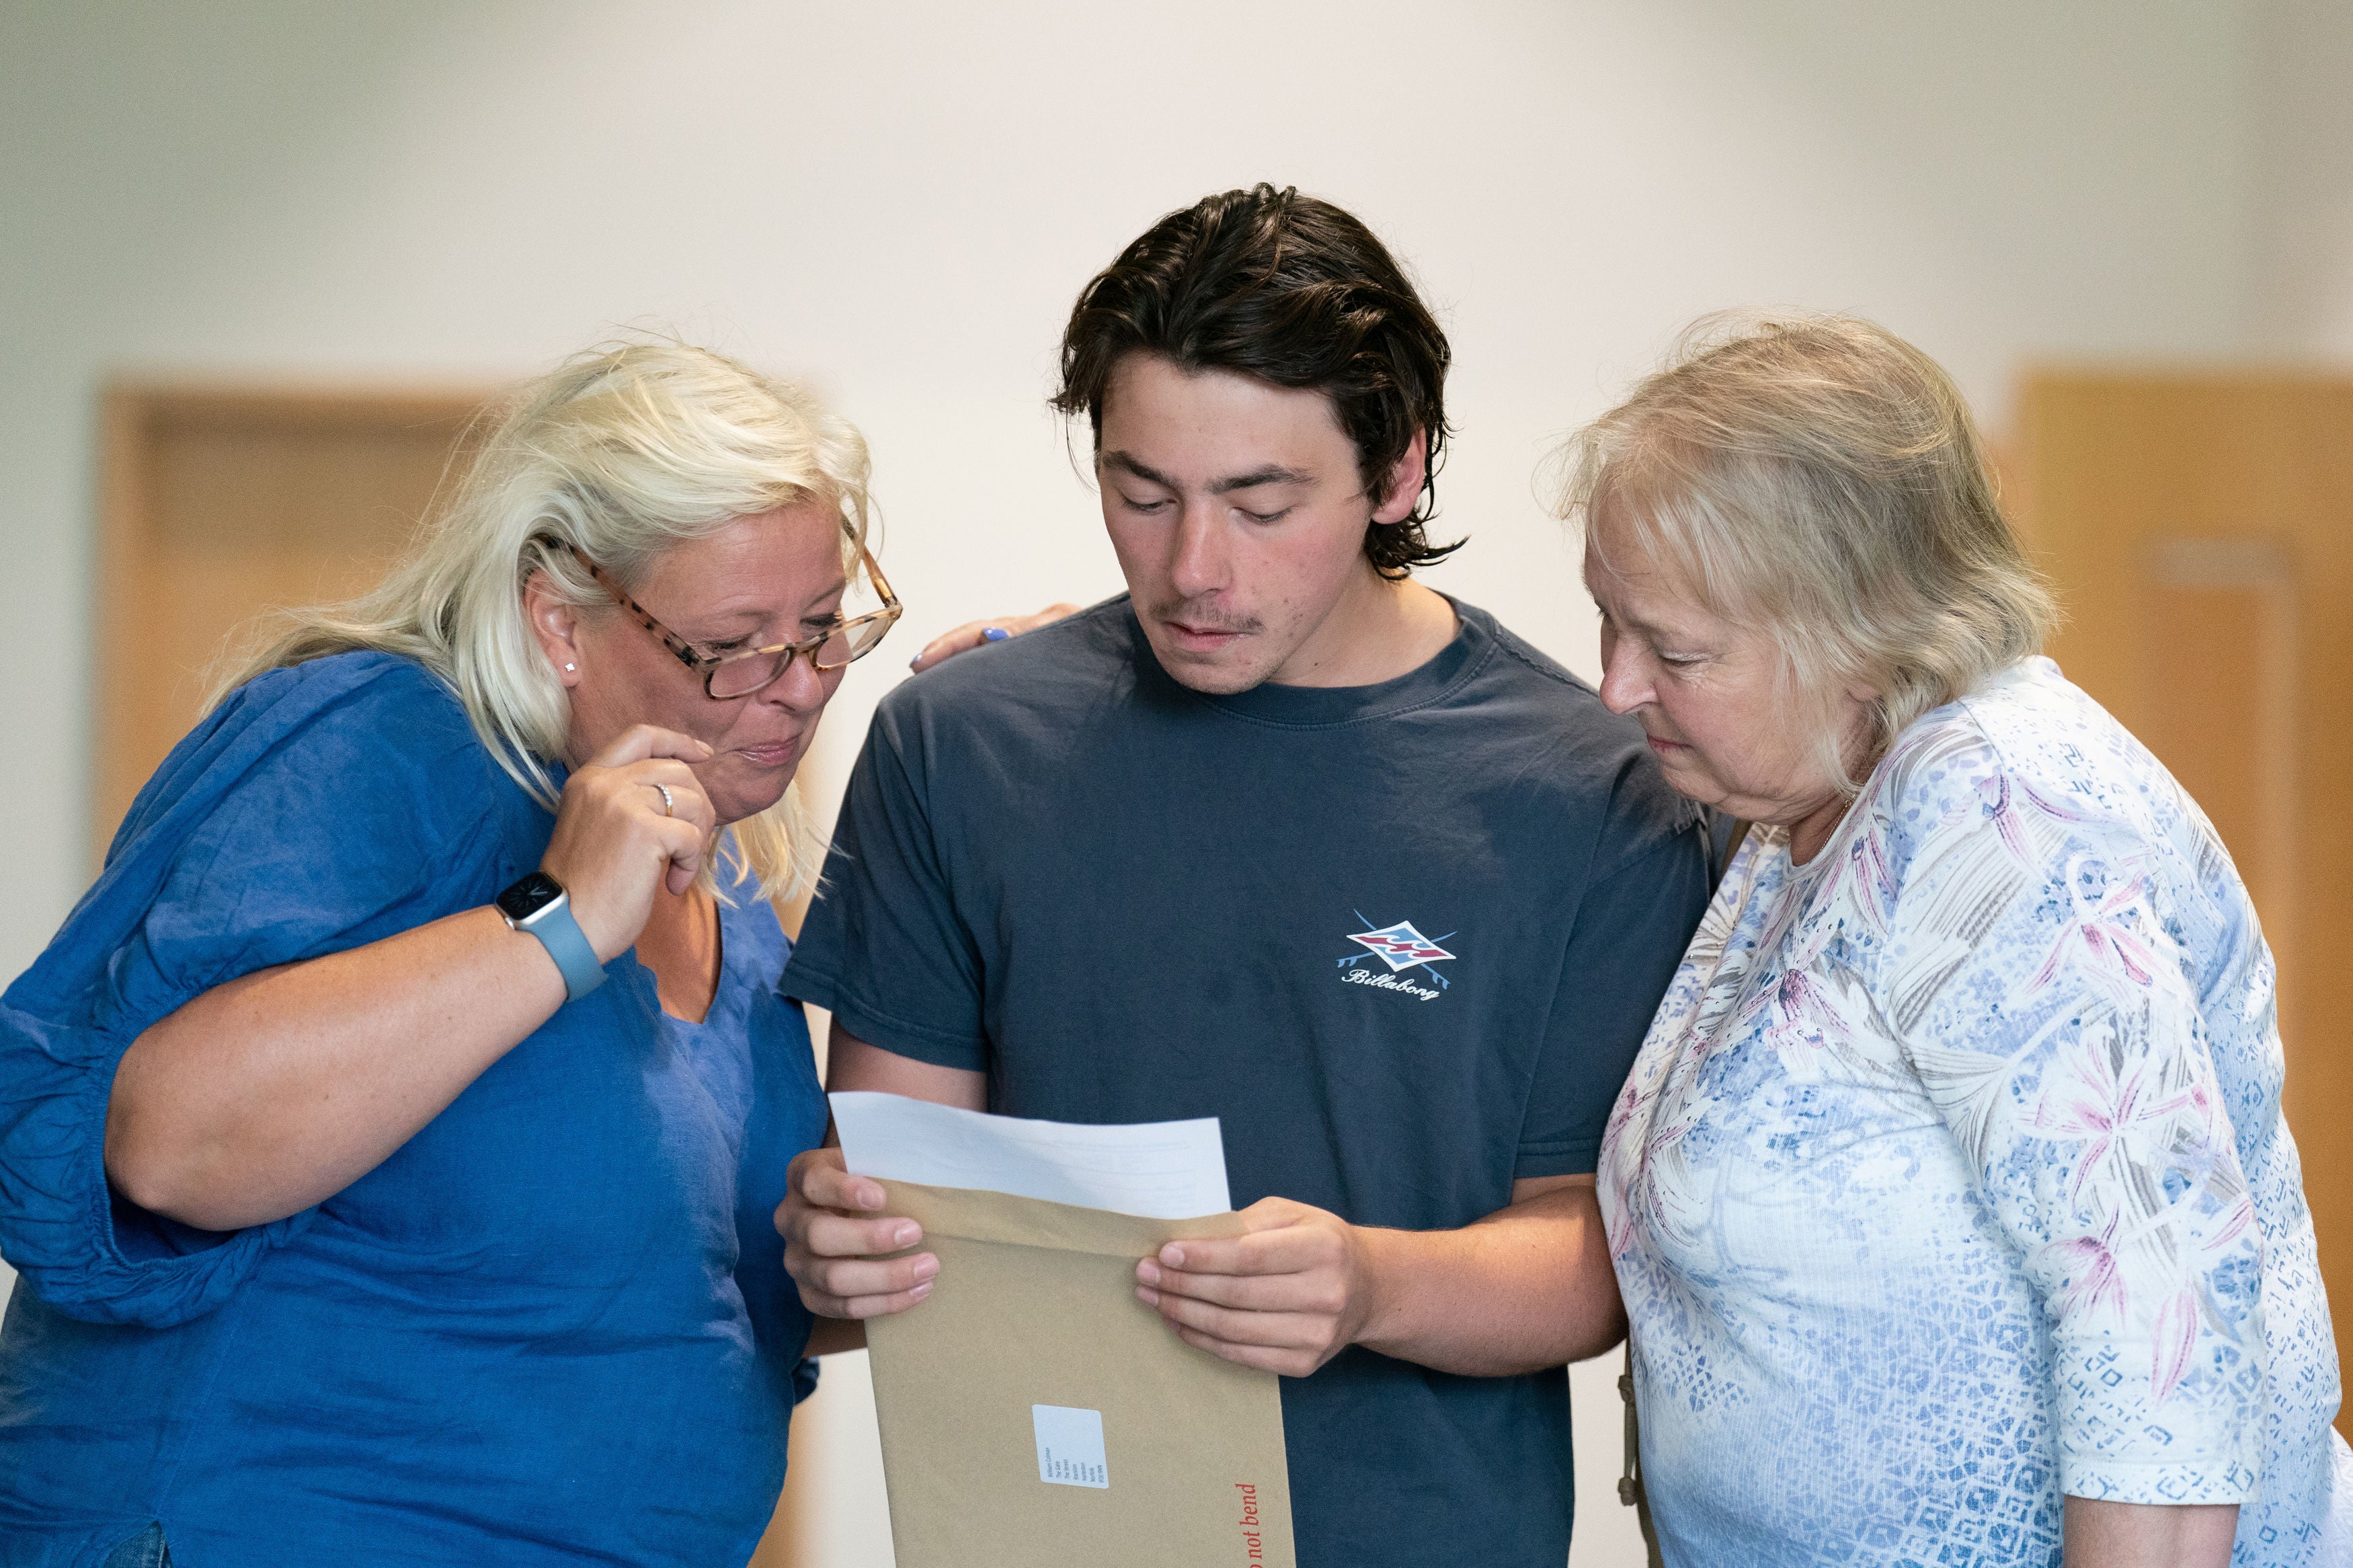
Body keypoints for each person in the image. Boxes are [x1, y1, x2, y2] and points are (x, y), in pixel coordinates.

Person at [774, 183, 1712, 1568]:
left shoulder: (1592, 792)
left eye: (1259, 502)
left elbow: (1595, 1259)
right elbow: (898, 1207)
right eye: (1139, 494)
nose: (1191, 568)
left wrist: (1369, 1282)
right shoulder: (963, 746)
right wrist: (834, 1258)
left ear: (1396, 475)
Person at [0, 340, 902, 1566]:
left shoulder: (734, 894)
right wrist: (559, 919)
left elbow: (703, 1300)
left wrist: (849, 1267)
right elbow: (168, 1146)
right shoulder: (383, 743)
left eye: (822, 627)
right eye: (735, 642)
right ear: (560, 619)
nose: (799, 688)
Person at [1574, 314, 2352, 1567]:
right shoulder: (1816, 798)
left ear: (1860, 633)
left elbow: (2157, 1313)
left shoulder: (2001, 816)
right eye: (1609, 621)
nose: (1617, 686)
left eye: (1675, 648)